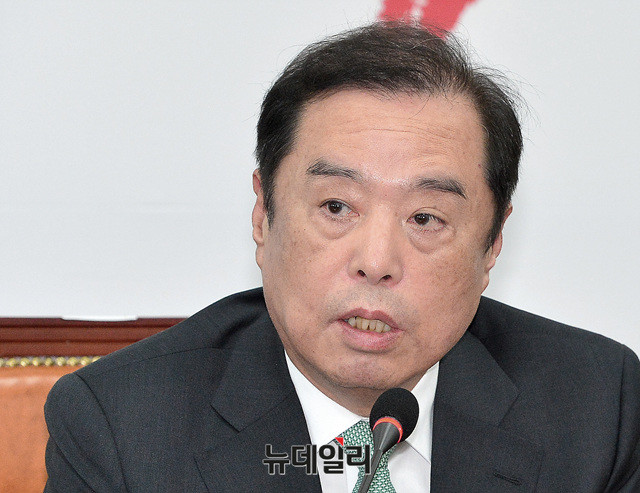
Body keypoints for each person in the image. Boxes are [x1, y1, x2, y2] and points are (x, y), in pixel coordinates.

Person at [44, 22, 640, 492]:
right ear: (263, 214)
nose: (376, 262)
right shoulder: (123, 428)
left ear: (492, 245)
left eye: (425, 218)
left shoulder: (594, 407)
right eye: (336, 207)